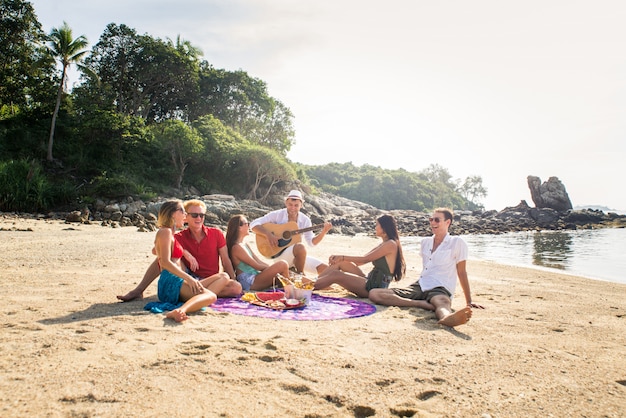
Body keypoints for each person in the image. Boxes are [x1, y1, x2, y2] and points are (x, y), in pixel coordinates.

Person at [369, 208, 485, 327]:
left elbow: (461, 272)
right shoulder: (425, 242)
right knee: (374, 294)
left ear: (448, 222)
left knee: (442, 302)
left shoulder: (457, 242)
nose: (433, 223)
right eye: (431, 219)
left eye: (437, 220)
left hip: (440, 287)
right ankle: (421, 304)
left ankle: (446, 317)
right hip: (420, 285)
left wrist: (469, 302)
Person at [117, 199, 242, 301]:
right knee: (165, 258)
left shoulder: (216, 233)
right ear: (186, 217)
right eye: (194, 215)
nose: (199, 218)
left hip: (210, 278)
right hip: (188, 277)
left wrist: (233, 278)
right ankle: (139, 290)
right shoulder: (177, 235)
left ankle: (198, 295)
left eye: (202, 215)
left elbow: (225, 260)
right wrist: (185, 253)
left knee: (235, 287)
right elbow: (157, 251)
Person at [146, 199, 218, 322]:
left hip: (174, 280)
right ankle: (180, 311)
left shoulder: (169, 232)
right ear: (173, 213)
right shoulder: (165, 232)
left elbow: (155, 250)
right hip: (170, 281)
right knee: (210, 296)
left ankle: (183, 306)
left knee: (219, 279)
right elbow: (164, 262)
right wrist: (188, 278)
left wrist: (184, 252)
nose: (185, 215)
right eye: (183, 211)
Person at [313, 214, 405, 298]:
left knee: (336, 275)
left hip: (375, 287)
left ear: (384, 227)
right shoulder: (385, 243)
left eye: (377, 225)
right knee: (341, 263)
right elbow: (359, 262)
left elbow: (365, 259)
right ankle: (314, 282)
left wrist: (342, 256)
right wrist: (340, 259)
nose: (375, 227)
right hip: (371, 280)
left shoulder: (391, 244)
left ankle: (307, 288)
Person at [249, 190, 332, 275]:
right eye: (290, 205)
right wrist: (268, 235)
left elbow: (311, 243)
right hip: (279, 256)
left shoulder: (305, 220)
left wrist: (324, 232)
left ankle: (295, 272)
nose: (293, 208)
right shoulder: (277, 214)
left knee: (325, 269)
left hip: (298, 257)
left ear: (301, 205)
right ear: (286, 203)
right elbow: (253, 224)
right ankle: (300, 275)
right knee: (300, 247)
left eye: (296, 205)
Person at [225, 214, 291, 291]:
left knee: (286, 272)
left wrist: (273, 269)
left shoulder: (245, 244)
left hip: (256, 276)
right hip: (248, 281)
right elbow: (256, 266)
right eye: (247, 224)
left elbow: (258, 261)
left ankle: (284, 290)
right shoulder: (236, 247)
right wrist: (275, 269)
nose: (249, 226)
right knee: (282, 264)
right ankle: (288, 292)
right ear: (239, 227)